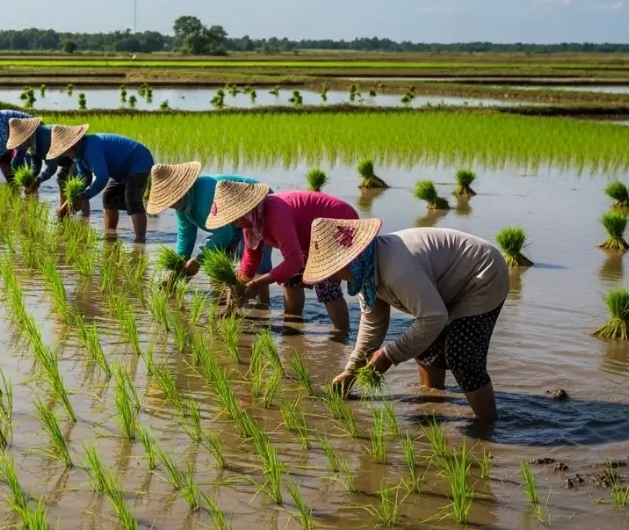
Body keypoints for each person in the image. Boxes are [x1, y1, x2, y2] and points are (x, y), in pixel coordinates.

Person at [303, 220, 509, 423]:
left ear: (347, 260)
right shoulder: (365, 273)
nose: (331, 278)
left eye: (332, 270)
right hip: (448, 284)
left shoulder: (397, 269)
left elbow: (433, 317)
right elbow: (373, 325)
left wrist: (389, 355)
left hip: (482, 274)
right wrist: (351, 372)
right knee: (425, 346)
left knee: (461, 355)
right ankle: (433, 407)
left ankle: (486, 425)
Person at [206, 181, 359, 335]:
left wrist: (257, 284)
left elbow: (294, 261)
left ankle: (342, 336)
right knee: (291, 281)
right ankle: (293, 327)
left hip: (337, 224)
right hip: (309, 238)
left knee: (326, 285)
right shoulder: (252, 222)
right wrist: (236, 292)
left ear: (246, 208)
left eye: (234, 217)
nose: (234, 223)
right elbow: (250, 260)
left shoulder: (275, 215)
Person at [146, 161, 274, 304]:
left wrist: (198, 260)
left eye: (170, 199)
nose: (170, 205)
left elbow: (223, 234)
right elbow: (186, 236)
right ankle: (223, 302)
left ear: (181, 190)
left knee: (255, 264)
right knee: (219, 264)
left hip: (257, 206)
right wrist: (178, 268)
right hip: (231, 223)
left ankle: (263, 308)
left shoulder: (205, 197)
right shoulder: (182, 207)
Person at [46, 123, 154, 243]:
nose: (65, 154)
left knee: (132, 198)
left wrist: (85, 195)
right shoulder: (78, 156)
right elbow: (84, 178)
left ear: (72, 144)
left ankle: (140, 240)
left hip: (138, 162)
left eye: (65, 151)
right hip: (121, 170)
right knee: (109, 197)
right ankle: (110, 235)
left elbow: (102, 177)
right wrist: (68, 203)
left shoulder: (90, 149)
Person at [6, 117, 89, 215]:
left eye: (21, 141)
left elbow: (52, 167)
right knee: (62, 178)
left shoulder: (45, 138)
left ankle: (84, 217)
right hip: (65, 157)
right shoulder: (31, 142)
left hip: (79, 152)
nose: (21, 145)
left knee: (77, 185)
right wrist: (31, 177)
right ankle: (65, 212)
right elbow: (35, 163)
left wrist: (38, 180)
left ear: (26, 136)